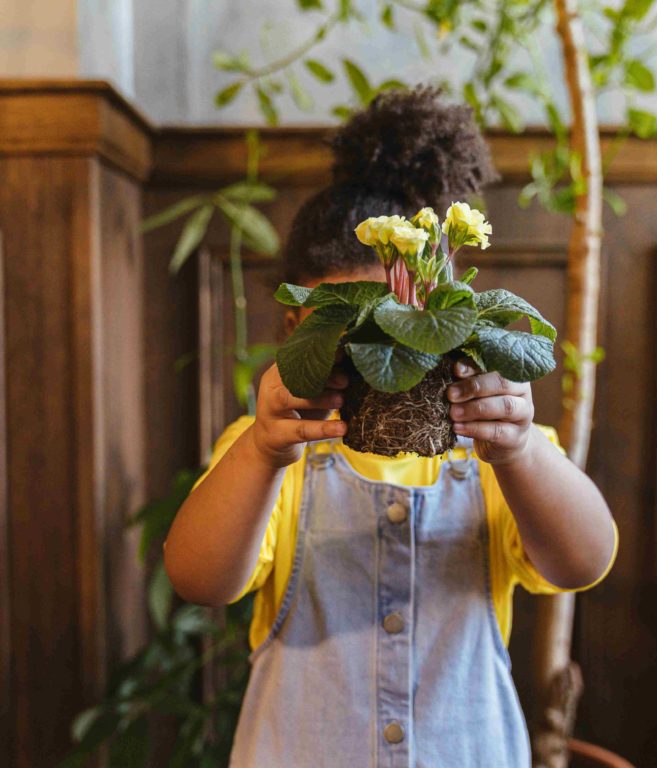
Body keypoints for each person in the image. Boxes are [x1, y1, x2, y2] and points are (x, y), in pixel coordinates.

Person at [164, 85, 619, 768]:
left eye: (400, 325)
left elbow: (583, 560)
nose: (378, 353)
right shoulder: (269, 456)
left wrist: (521, 449)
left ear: (442, 317)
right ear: (296, 329)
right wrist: (259, 451)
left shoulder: (490, 453)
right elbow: (199, 580)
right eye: (345, 329)